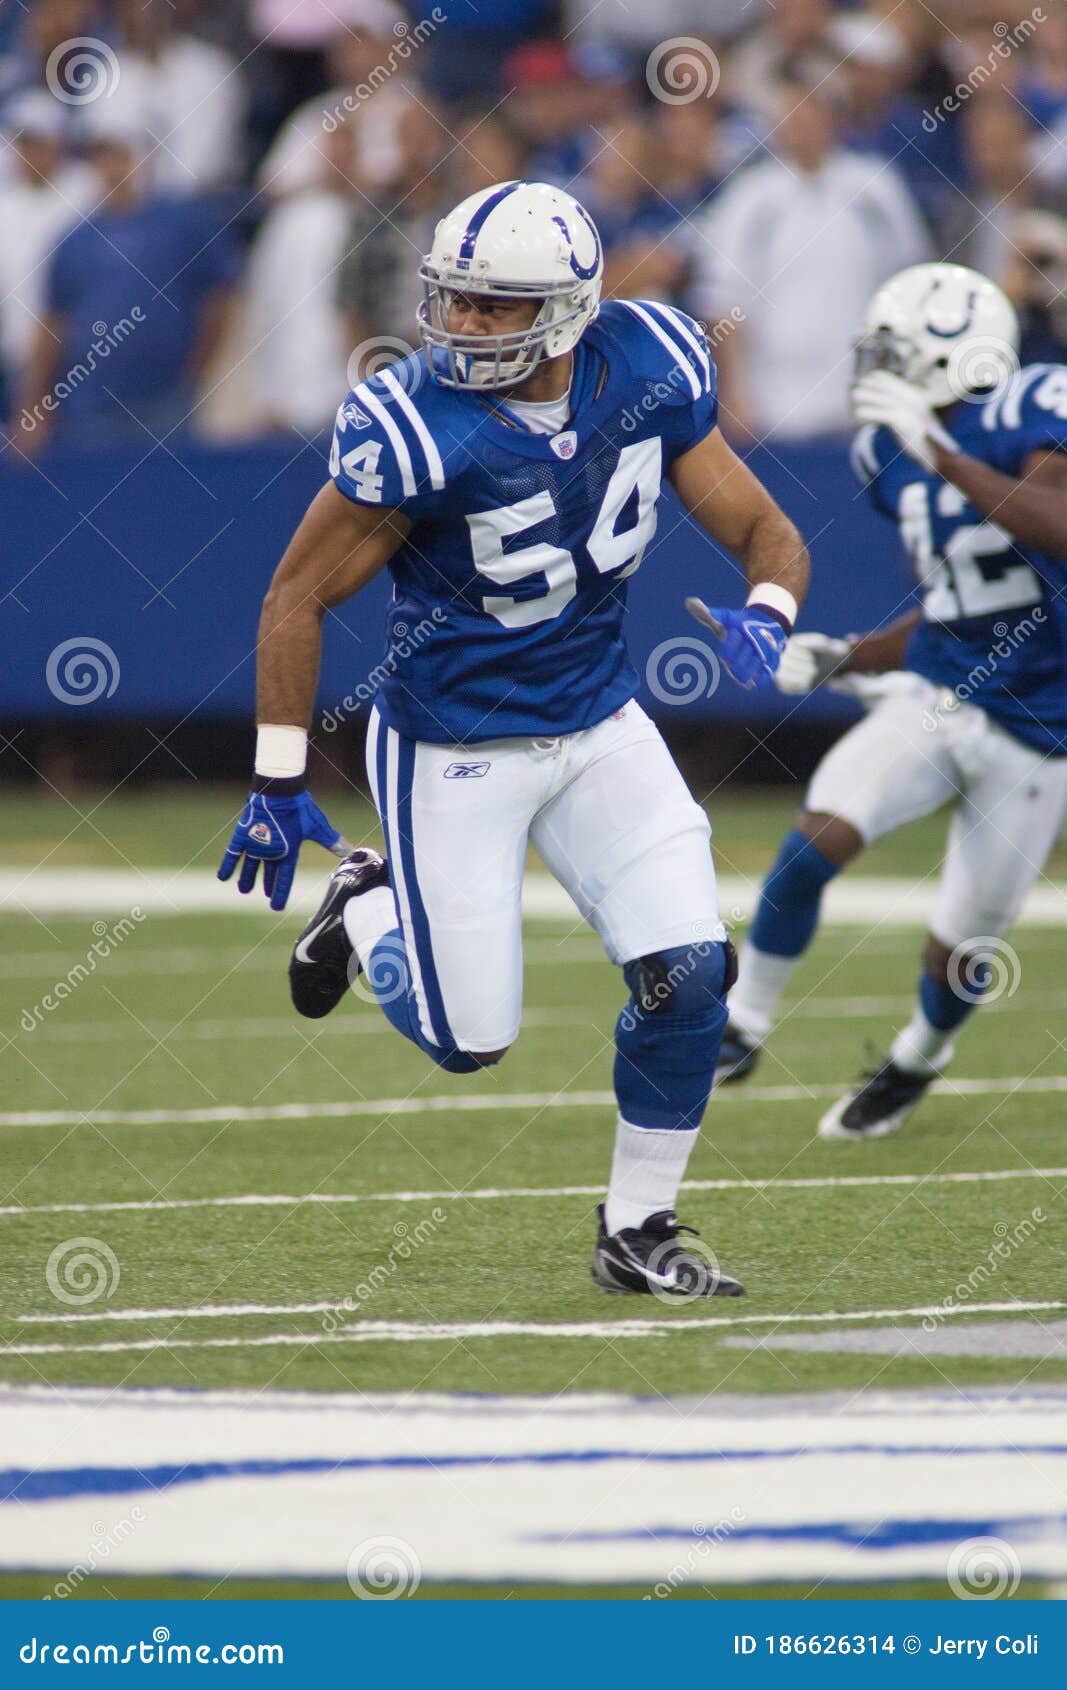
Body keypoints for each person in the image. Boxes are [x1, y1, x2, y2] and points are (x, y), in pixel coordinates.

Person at [218, 180, 811, 1297]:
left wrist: (768, 612)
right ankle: (368, 902)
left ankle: (637, 1229)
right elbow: (296, 594)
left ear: (569, 308)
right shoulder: (414, 425)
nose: (464, 327)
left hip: (596, 721)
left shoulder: (650, 367)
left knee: (688, 975)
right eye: (457, 302)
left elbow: (763, 529)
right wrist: (278, 774)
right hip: (453, 747)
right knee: (468, 1042)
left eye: (495, 308)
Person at [715, 261, 1067, 1139]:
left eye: (895, 355)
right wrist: (841, 658)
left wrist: (941, 453)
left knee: (963, 945)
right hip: (942, 689)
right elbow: (958, 601)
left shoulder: (1030, 409)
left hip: (1043, 731)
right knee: (813, 842)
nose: (878, 373)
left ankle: (918, 1057)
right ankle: (741, 1026)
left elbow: (1055, 523)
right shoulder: (889, 454)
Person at [689, 74, 928, 441]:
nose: (802, 126)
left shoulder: (876, 187)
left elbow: (911, 288)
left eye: (811, 114)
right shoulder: (749, 196)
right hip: (775, 405)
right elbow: (722, 302)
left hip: (863, 404)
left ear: (832, 119)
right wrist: (737, 398)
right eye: (792, 116)